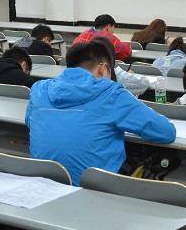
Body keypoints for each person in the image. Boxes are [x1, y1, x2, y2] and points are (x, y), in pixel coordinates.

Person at [26, 41, 176, 185]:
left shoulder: (39, 89)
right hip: (93, 188)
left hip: (44, 182)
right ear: (103, 68)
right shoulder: (111, 93)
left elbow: (29, 122)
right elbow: (166, 132)